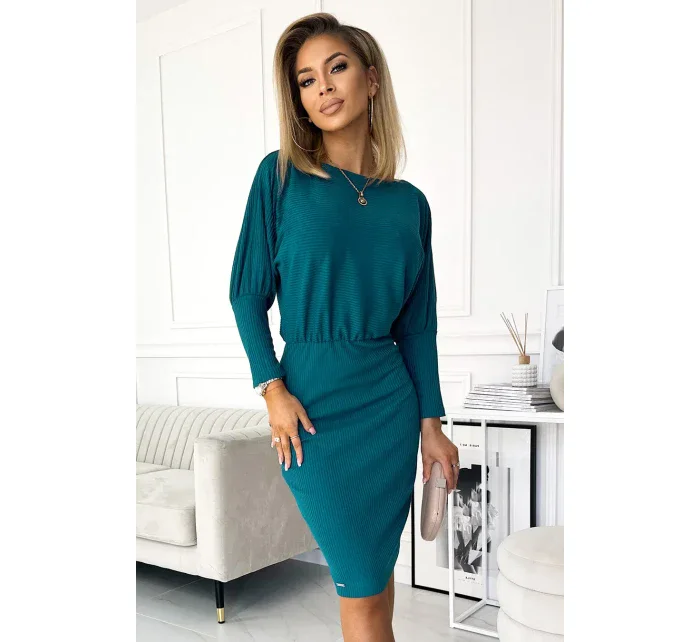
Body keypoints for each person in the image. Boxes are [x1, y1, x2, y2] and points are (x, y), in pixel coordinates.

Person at [228, 13, 459, 642]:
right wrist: (272, 389)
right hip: (312, 414)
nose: (323, 87)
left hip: (389, 409)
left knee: (374, 587)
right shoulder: (280, 178)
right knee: (361, 590)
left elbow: (418, 327)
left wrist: (431, 427)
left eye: (337, 68)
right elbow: (247, 295)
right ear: (299, 99)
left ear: (371, 79)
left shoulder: (409, 204)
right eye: (306, 80)